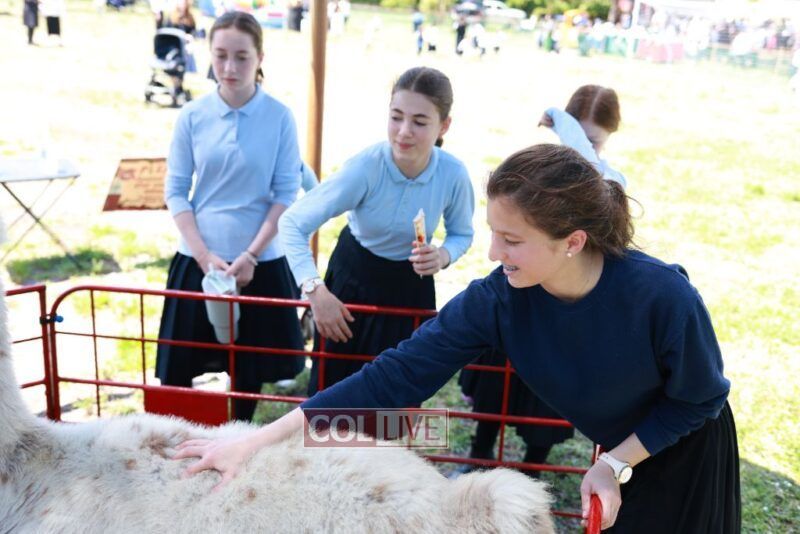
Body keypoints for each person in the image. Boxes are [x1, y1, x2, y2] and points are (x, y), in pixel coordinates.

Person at [175, 144, 740, 532]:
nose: (493, 252)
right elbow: (392, 376)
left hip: (685, 451)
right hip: (615, 452)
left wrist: (615, 463)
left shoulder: (663, 297)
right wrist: (256, 441)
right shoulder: (499, 298)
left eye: (511, 240)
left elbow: (700, 399)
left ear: (572, 241)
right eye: (493, 232)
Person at [455, 84, 628, 477]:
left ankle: (533, 467)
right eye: (578, 137)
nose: (584, 150)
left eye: (593, 142)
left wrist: (561, 120)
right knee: (496, 387)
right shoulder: (541, 179)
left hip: (565, 314)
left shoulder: (609, 184)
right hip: (523, 301)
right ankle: (479, 455)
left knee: (547, 400)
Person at [277, 66, 475, 398]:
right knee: (332, 397)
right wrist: (315, 292)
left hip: (411, 290)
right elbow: (292, 223)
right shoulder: (365, 167)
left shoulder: (454, 174)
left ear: (444, 125)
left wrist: (443, 255)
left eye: (419, 122)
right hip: (351, 286)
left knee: (393, 400)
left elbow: (462, 234)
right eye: (396, 117)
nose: (403, 132)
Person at [155, 11, 305, 422]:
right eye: (220, 55)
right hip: (198, 259)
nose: (229, 67)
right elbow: (176, 190)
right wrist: (205, 257)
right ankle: (183, 440)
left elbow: (285, 193)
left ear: (260, 57)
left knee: (248, 370)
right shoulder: (192, 115)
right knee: (179, 367)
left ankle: (239, 437)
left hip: (259, 261)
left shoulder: (279, 117)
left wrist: (251, 255)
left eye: (241, 57)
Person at [539, 84, 626, 187]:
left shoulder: (612, 179)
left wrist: (556, 116)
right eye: (575, 136)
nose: (583, 147)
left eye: (591, 141)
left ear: (610, 133)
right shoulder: (547, 167)